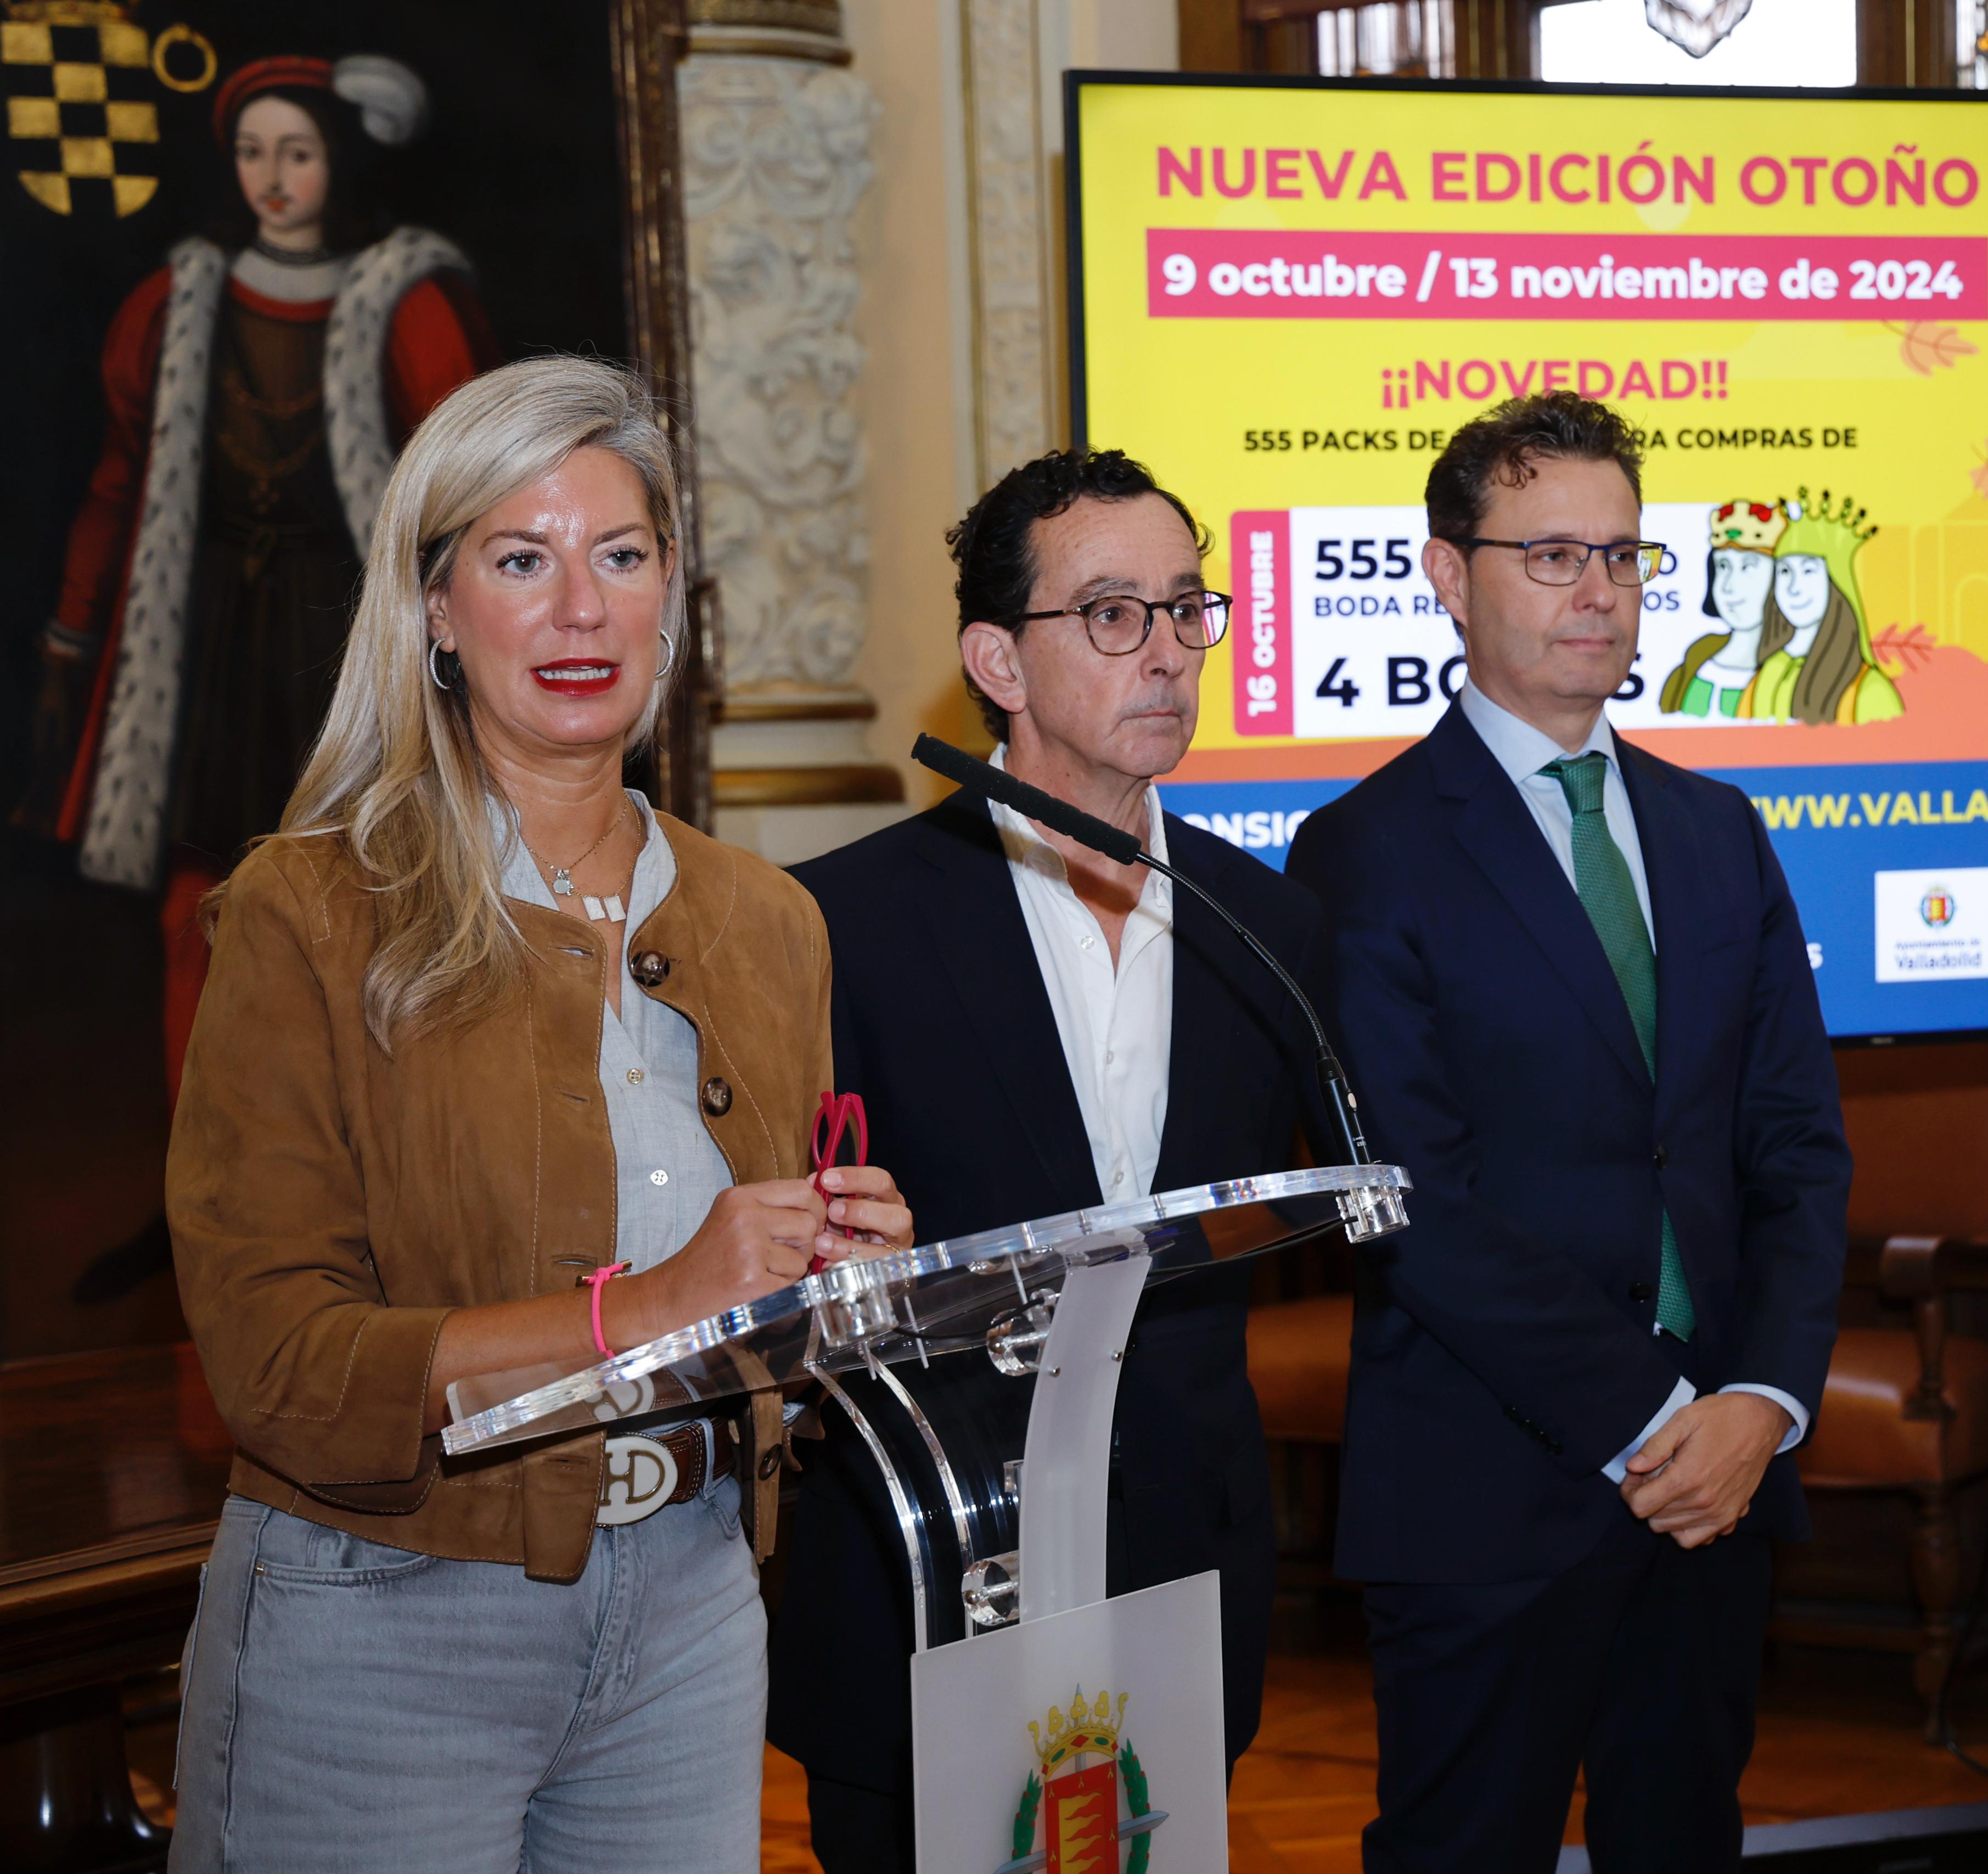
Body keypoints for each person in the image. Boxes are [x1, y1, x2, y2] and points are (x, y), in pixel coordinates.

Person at [165, 357, 911, 1874]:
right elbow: (276, 1360)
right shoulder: (308, 909)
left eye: (619, 556)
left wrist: (838, 1274)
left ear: (668, 591)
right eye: (522, 559)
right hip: (381, 1606)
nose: (581, 608)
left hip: (695, 1602)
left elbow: (758, 1314)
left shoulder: (769, 918)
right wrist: (656, 1298)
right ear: (436, 607)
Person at [1286, 392, 1852, 1874]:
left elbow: (1796, 1148)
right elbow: (1413, 1199)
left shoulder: (1719, 830)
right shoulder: (1362, 851)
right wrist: (1658, 1419)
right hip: (1490, 1483)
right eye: (1550, 554)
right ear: (1446, 572)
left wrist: (1759, 1401)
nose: (1597, 589)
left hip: (1719, 1483)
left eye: (1621, 554)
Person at [769, 449, 1322, 1872]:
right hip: (932, 1574)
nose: (1169, 653)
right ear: (998, 661)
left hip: (1179, 1573)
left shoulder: (1267, 925)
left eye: (1188, 609)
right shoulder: (841, 922)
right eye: (1114, 614)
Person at [19, 52, 495, 1102]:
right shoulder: (175, 301)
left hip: (344, 630)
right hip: (214, 641)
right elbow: (118, 479)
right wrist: (71, 629)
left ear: (338, 160)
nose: (272, 177)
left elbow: (472, 485)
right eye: (251, 152)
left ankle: (356, 1142)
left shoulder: (406, 299)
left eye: (298, 153)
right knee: (200, 895)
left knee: (367, 886)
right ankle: (210, 1144)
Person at [1742, 488, 1898, 725]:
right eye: (1785, 572)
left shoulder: (1869, 690)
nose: (1794, 588)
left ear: (1836, 582)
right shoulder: (1768, 673)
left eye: (1808, 571)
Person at [1658, 499, 1785, 718]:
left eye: (1748, 566)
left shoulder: (1789, 670)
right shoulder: (1699, 653)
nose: (1729, 586)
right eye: (1723, 566)